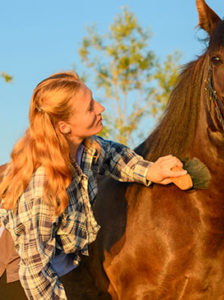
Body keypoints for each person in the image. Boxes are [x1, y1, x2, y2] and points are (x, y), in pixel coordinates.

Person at [0, 71, 186, 299]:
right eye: (90, 108)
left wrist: (151, 170)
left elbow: (111, 155)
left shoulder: (83, 148)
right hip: (20, 282)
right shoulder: (42, 185)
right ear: (64, 126)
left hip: (59, 266)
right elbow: (34, 271)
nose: (100, 108)